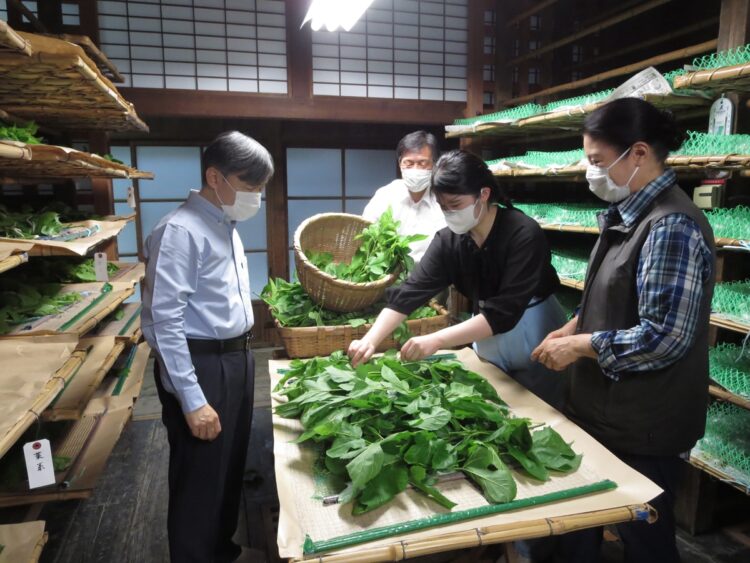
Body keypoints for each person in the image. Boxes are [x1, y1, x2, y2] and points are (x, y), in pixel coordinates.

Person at [532, 98, 715, 563]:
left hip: (645, 425)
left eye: (596, 161)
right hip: (606, 410)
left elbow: (664, 337)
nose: (588, 172)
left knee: (645, 537)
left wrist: (580, 345)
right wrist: (571, 327)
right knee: (580, 525)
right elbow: (612, 299)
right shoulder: (625, 216)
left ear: (637, 153)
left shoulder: (670, 225)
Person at [141, 131, 273, 563]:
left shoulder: (226, 224)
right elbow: (166, 322)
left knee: (229, 466)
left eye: (260, 188)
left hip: (235, 357)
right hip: (200, 363)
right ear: (214, 177)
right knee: (199, 475)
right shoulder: (180, 231)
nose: (256, 196)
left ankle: (222, 550)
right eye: (249, 186)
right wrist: (192, 399)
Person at [349, 149, 568, 409]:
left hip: (534, 329)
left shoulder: (523, 233)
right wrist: (369, 340)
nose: (450, 214)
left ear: (483, 195)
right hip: (486, 329)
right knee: (496, 407)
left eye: (456, 205)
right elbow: (410, 292)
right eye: (443, 207)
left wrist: (436, 339)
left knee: (541, 415)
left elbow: (505, 313)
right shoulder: (449, 240)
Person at [362, 130, 446, 264]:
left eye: (423, 163)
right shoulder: (385, 195)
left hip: (433, 280)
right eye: (409, 163)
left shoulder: (444, 200)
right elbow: (366, 233)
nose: (415, 169)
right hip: (388, 279)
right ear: (400, 163)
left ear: (434, 165)